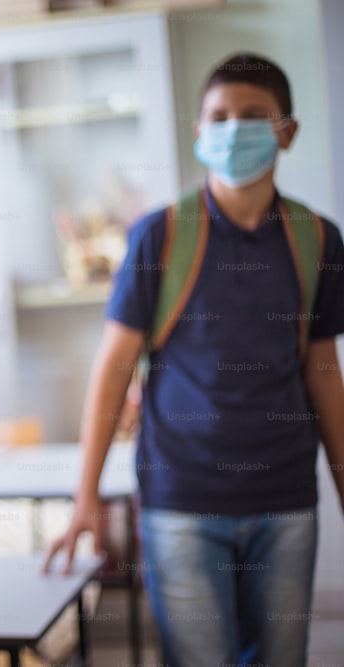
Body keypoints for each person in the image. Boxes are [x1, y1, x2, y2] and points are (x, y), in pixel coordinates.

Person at [43, 52, 344, 666]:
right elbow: (112, 371)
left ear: (287, 131)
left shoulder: (318, 239)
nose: (234, 129)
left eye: (253, 116)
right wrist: (86, 498)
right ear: (199, 132)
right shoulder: (160, 236)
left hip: (286, 502)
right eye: (219, 116)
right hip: (181, 505)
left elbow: (324, 372)